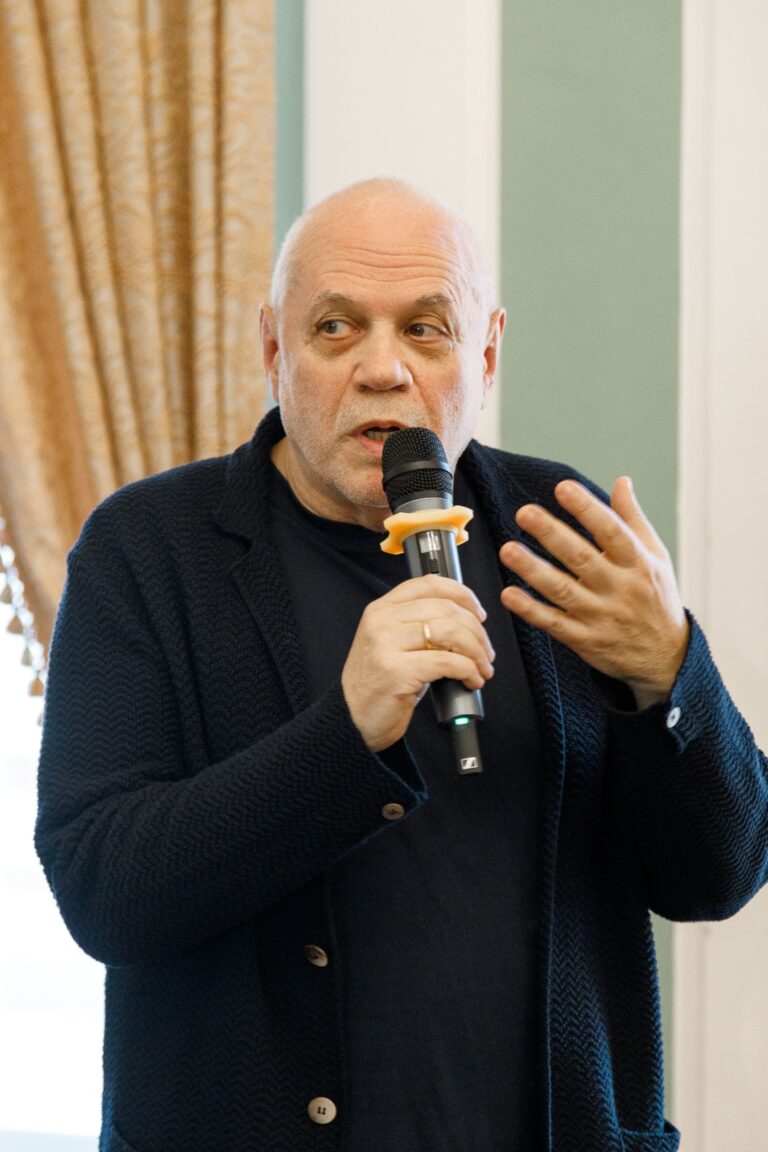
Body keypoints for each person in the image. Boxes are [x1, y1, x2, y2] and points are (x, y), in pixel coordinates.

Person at [35, 178, 767, 1152]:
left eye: (426, 329)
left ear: (486, 354)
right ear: (273, 350)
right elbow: (103, 893)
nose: (382, 369)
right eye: (336, 328)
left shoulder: (560, 534)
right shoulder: (149, 548)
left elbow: (717, 876)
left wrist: (667, 676)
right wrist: (343, 737)